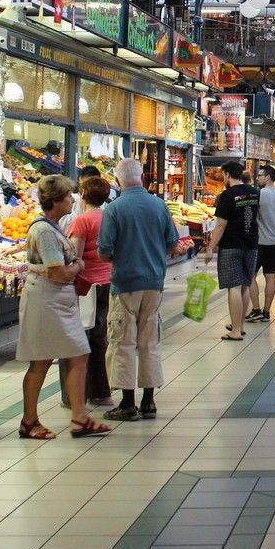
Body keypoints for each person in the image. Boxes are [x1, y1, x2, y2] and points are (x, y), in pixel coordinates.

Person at [15, 175, 111, 439]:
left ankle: (79, 417)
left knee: (78, 353)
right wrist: (79, 264)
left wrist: (74, 266)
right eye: (68, 196)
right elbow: (59, 273)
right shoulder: (44, 231)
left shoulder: (53, 227)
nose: (72, 199)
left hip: (58, 301)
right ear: (55, 201)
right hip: (46, 301)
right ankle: (29, 420)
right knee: (42, 361)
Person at [97, 156, 182, 421]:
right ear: (142, 177)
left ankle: (127, 403)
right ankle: (149, 402)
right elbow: (172, 243)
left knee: (122, 342)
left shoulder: (114, 209)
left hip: (124, 285)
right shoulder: (159, 205)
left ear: (118, 180)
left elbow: (104, 251)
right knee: (150, 342)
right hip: (154, 284)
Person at [64, 176, 113, 408]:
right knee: (102, 338)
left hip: (86, 287)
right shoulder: (111, 218)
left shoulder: (82, 221)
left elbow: (75, 256)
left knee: (80, 339)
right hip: (109, 283)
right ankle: (102, 392)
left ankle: (76, 395)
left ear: (83, 194)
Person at [207, 161, 260, 341]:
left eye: (223, 174)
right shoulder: (254, 192)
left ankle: (235, 330)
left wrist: (210, 247)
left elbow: (221, 225)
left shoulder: (227, 195)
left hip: (231, 244)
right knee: (245, 283)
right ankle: (241, 326)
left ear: (228, 174)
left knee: (234, 287)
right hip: (251, 243)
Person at [247, 166, 275, 322]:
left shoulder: (259, 195)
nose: (258, 178)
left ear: (268, 177)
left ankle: (256, 309)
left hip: (259, 242)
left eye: (261, 175)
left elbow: (251, 215)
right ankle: (267, 311)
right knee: (271, 277)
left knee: (250, 276)